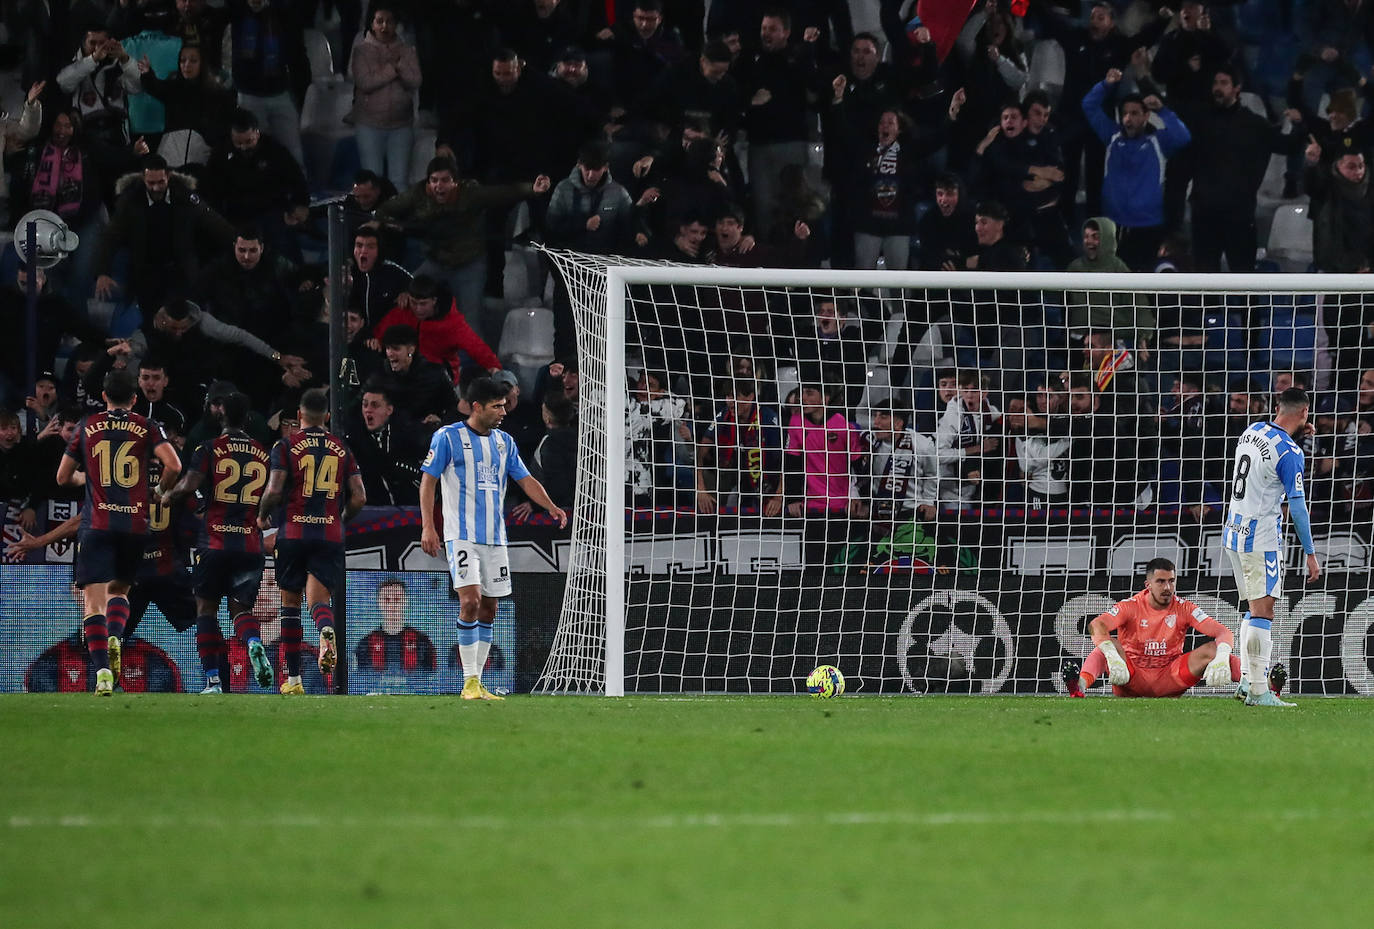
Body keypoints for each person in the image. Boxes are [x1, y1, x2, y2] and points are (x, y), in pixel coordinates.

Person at [419, 375, 568, 700]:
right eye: (496, 406)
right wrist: (429, 526)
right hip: (461, 535)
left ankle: (478, 684)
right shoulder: (448, 437)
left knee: (489, 608)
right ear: (476, 407)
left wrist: (551, 507)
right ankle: (469, 682)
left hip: (495, 539)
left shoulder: (505, 442)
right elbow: (428, 481)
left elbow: (525, 479)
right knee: (469, 601)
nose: (503, 411)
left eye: (504, 405)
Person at [56, 368, 182, 696]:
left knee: (93, 604)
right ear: (135, 397)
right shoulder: (147, 426)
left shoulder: (86, 426)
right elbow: (175, 466)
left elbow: (62, 478)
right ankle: (115, 635)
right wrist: (159, 492)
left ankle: (102, 674)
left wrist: (86, 479)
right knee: (121, 593)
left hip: (97, 525)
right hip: (134, 526)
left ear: (103, 395)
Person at [162, 392, 276, 693]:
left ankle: (213, 681)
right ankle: (253, 642)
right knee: (241, 611)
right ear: (248, 418)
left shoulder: (209, 448)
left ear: (220, 416)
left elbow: (187, 486)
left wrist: (165, 496)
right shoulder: (264, 453)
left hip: (214, 541)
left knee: (206, 610)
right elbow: (274, 493)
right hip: (250, 544)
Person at [257, 388, 367, 694]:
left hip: (293, 532)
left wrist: (262, 516)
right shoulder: (341, 448)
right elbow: (360, 496)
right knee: (318, 601)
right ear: (327, 417)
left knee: (290, 605)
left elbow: (275, 489)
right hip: (328, 534)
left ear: (300, 415)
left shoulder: (286, 445)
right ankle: (325, 629)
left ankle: (293, 680)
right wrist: (339, 518)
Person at [1221, 387, 1322, 707]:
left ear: (1279, 407)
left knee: (1252, 609)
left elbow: (1266, 464)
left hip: (1233, 533)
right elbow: (1298, 506)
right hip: (1260, 538)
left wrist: (1296, 436)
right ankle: (1260, 691)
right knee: (1264, 612)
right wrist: (1309, 552)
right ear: (1305, 413)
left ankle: (1247, 683)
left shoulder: (1251, 430)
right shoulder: (1291, 453)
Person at [1063, 557, 1241, 698]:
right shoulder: (1130, 606)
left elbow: (1223, 632)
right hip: (1130, 677)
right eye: (1161, 582)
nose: (1168, 587)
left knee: (1213, 650)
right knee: (1108, 646)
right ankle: (1080, 686)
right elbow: (1096, 625)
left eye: (1171, 581)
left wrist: (1222, 656)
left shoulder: (1184, 607)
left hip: (1170, 678)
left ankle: (1259, 685)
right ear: (1148, 585)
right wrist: (1111, 655)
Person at [1082, 69, 1192, 270]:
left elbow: (1183, 136)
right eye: (1124, 113)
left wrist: (1163, 110)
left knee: (1142, 283)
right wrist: (1105, 85)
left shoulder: (1159, 141)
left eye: (1134, 113)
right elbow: (1088, 105)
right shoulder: (1111, 136)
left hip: (1148, 226)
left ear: (1146, 116)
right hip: (1114, 224)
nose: (1128, 119)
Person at [349, 3, 423, 191]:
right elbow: (365, 82)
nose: (384, 26)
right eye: (379, 21)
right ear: (372, 24)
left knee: (399, 181)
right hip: (369, 126)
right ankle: (372, 220)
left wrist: (400, 70)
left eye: (389, 22)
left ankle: (397, 220)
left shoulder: (407, 49)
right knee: (372, 180)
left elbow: (416, 81)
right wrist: (393, 69)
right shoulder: (361, 51)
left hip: (401, 125)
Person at [352, 577, 437, 675]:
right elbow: (362, 680)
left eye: (397, 599)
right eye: (387, 599)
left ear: (405, 602)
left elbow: (429, 679)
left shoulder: (422, 642)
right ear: (379, 603)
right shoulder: (365, 644)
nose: (392, 605)